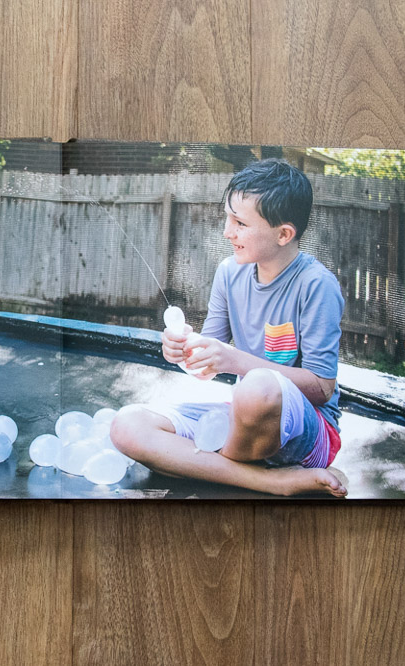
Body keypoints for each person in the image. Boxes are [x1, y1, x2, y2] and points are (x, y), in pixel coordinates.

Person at [111, 159, 348, 496]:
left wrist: (233, 360)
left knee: (259, 386)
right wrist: (186, 351)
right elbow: (209, 365)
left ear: (283, 234)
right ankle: (267, 480)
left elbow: (322, 388)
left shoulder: (316, 285)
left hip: (309, 432)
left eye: (239, 223)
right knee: (126, 425)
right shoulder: (229, 272)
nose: (227, 231)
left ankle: (208, 467)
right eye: (228, 218)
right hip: (245, 422)